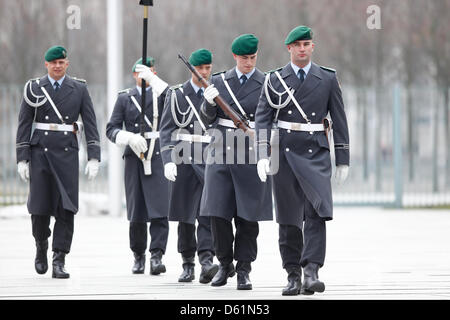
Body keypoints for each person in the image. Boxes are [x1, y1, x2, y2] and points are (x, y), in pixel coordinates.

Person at [255, 25, 350, 295]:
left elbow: (339, 120)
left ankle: (311, 271)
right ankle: (293, 274)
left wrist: (342, 158)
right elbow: (262, 117)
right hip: (284, 153)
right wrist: (262, 154)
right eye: (297, 45)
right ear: (289, 48)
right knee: (288, 220)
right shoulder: (275, 80)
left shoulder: (328, 78)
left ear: (312, 46)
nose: (302, 49)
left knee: (317, 213)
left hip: (316, 152)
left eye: (307, 44)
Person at [16, 45, 101, 279]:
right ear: (46, 64)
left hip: (67, 154)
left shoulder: (79, 89)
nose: (57, 66)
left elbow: (90, 123)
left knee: (67, 208)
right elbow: (24, 123)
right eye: (53, 63)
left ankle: (59, 258)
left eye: (61, 62)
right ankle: (41, 244)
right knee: (39, 208)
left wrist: (93, 156)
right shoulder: (33, 88)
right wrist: (22, 158)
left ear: (67, 64)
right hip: (40, 154)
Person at [200, 34, 273, 290]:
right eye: (244, 58)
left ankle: (244, 268)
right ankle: (224, 264)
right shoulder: (219, 81)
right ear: (235, 57)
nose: (249, 62)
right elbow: (207, 120)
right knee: (217, 213)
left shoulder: (266, 82)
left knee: (247, 217)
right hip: (220, 151)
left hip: (250, 153)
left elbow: (269, 119)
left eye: (253, 57)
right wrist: (208, 103)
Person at [159, 48, 219, 284]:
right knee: (185, 215)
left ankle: (207, 260)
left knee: (207, 212)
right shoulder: (176, 95)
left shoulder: (214, 92)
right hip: (183, 156)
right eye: (200, 69)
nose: (205, 72)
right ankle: (187, 263)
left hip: (208, 156)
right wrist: (167, 161)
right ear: (191, 69)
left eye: (208, 68)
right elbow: (166, 131)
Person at [106, 57, 169, 275]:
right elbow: (111, 128)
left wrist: (154, 80)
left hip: (159, 155)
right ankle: (138, 255)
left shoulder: (162, 94)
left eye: (150, 71)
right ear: (134, 75)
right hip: (135, 158)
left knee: (160, 209)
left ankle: (157, 255)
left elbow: (173, 99)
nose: (144, 76)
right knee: (137, 211)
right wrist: (127, 137)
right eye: (141, 72)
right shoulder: (125, 98)